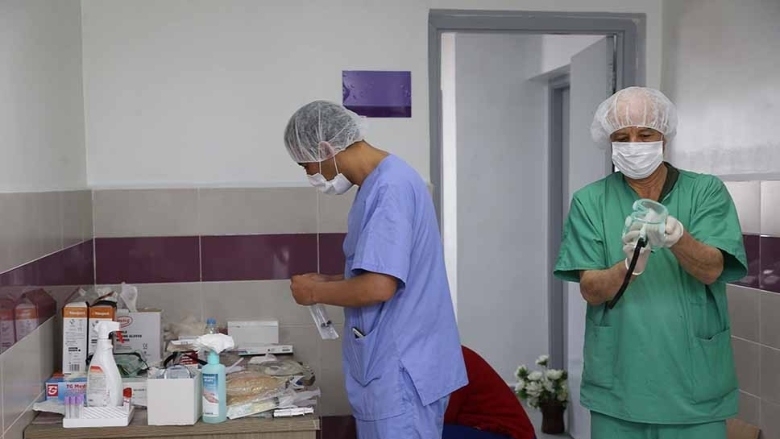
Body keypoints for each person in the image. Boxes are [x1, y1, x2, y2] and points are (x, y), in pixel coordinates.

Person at [553, 87, 747, 439]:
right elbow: (591, 290)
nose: (634, 144)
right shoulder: (590, 201)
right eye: (622, 136)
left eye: (645, 134)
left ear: (664, 137)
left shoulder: (705, 191)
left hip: (694, 387)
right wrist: (627, 265)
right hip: (621, 387)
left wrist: (677, 239)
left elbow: (713, 269)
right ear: (609, 142)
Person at [283, 100, 467, 439]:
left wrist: (314, 292)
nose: (310, 174)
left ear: (326, 148)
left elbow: (379, 287)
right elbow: (385, 271)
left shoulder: (390, 188)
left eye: (306, 164)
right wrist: (331, 280)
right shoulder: (382, 181)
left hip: (401, 370)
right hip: (398, 366)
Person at [443, 346, 536, 439]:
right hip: (488, 430)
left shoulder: (452, 360)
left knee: (434, 432)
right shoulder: (450, 354)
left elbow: (442, 415)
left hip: (510, 434)